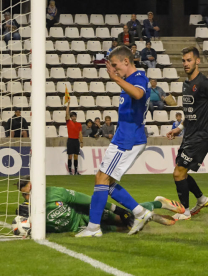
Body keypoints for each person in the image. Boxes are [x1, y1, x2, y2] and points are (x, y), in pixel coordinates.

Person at [76, 46, 152, 237]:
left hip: (129, 139)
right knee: (106, 182)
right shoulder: (127, 80)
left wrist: (116, 79)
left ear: (126, 61)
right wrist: (119, 79)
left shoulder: (139, 77)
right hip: (122, 137)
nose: (115, 69)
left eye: (116, 65)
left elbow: (139, 95)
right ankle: (140, 212)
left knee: (101, 178)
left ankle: (93, 228)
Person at [167, 47, 208, 221]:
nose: (186, 64)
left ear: (197, 61)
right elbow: (191, 112)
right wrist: (179, 128)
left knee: (178, 173)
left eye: (189, 60)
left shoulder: (205, 84)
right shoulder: (186, 84)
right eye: (184, 61)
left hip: (201, 136)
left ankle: (184, 212)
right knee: (182, 173)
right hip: (189, 135)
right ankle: (201, 199)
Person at [16, 177, 185, 234]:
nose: (28, 195)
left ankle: (158, 203)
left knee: (126, 218)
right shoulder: (27, 209)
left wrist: (117, 209)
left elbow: (91, 201)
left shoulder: (56, 193)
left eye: (30, 190)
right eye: (25, 194)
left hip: (88, 214)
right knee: (125, 227)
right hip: (79, 228)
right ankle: (153, 214)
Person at [65, 100, 83, 175]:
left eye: (74, 116)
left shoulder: (79, 124)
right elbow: (66, 114)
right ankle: (69, 171)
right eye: (72, 116)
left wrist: (81, 141)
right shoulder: (69, 122)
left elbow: (80, 133)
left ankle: (76, 171)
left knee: (76, 156)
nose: (73, 117)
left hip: (76, 141)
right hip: (70, 140)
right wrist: (68, 105)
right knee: (70, 156)